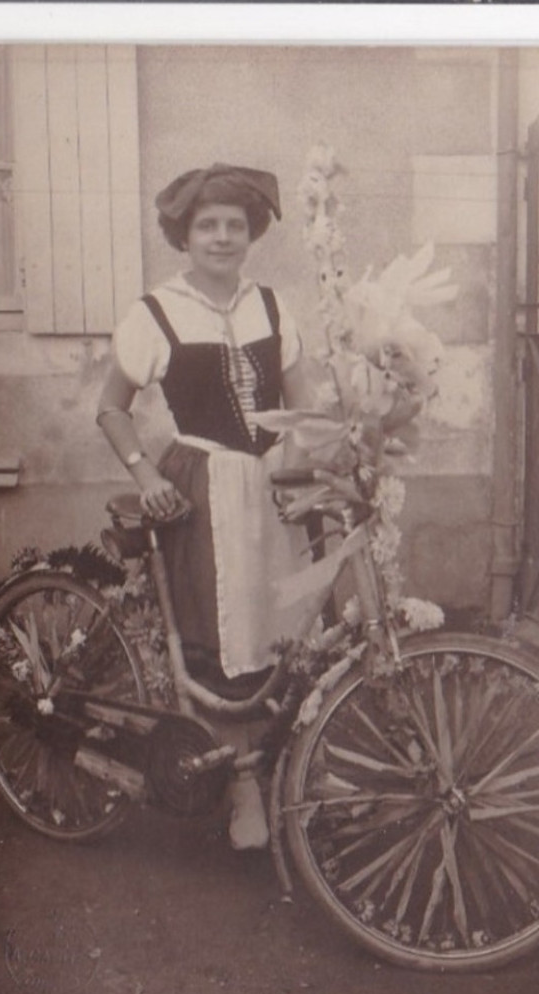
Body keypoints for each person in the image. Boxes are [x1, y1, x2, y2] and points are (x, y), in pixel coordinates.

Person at [97, 163, 312, 849]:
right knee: (221, 639)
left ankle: (286, 770)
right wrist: (143, 471)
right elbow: (111, 409)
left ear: (252, 234)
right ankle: (241, 788)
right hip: (198, 489)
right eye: (207, 226)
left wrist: (310, 466)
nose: (222, 238)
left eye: (235, 226)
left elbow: (302, 408)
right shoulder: (156, 312)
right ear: (183, 236)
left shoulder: (272, 306)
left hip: (269, 484)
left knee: (276, 634)